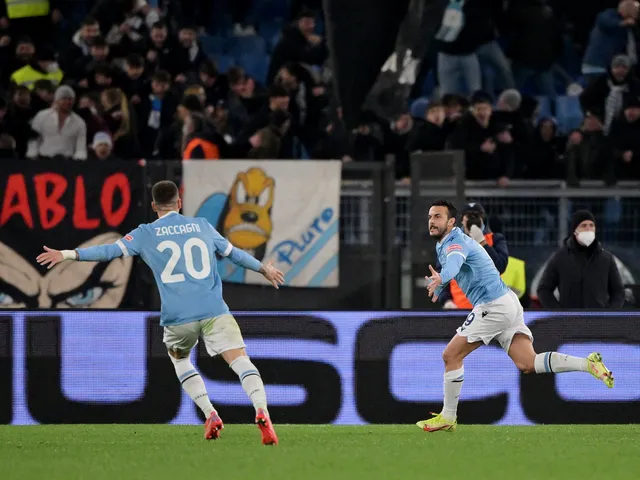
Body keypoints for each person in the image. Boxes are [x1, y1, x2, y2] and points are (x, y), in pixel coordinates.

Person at [35, 180, 284, 445]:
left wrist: (68, 254)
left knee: (180, 360)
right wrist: (264, 269)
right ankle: (261, 410)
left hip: (178, 317)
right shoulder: (202, 226)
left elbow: (108, 251)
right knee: (240, 361)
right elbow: (234, 255)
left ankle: (210, 413)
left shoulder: (146, 233)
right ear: (179, 203)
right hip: (213, 310)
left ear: (154, 206)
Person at [416, 199, 614, 433]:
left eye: (438, 216)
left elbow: (455, 262)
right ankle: (587, 364)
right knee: (528, 363)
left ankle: (448, 417)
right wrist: (440, 284)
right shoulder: (445, 243)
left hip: (492, 306)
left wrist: (443, 277)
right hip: (506, 302)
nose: (432, 221)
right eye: (430, 217)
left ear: (451, 222)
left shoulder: (455, 242)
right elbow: (457, 267)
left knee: (451, 355)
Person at [537, 210, 625, 309]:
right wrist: (559, 312)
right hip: (569, 318)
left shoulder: (606, 258)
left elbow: (618, 292)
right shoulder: (560, 257)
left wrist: (609, 313)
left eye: (591, 225)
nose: (588, 229)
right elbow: (543, 290)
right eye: (583, 225)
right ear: (575, 230)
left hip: (598, 318)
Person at [439, 202, 509, 309]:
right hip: (460, 308)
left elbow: (500, 267)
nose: (472, 220)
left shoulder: (495, 239)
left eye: (476, 216)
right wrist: (446, 300)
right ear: (462, 220)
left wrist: (482, 242)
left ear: (482, 219)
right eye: (469, 216)